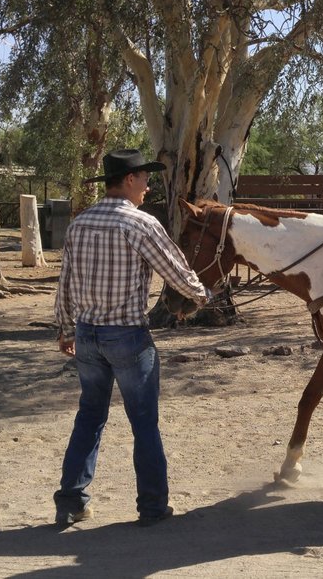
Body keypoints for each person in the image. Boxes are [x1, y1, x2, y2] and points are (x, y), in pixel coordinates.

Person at [52, 148, 207, 527]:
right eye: (144, 178)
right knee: (143, 422)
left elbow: (65, 282)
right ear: (128, 181)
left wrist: (64, 327)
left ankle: (72, 501)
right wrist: (202, 295)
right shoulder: (139, 224)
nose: (148, 186)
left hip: (87, 335)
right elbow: (176, 269)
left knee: (89, 416)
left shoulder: (80, 223)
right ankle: (152, 507)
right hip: (127, 336)